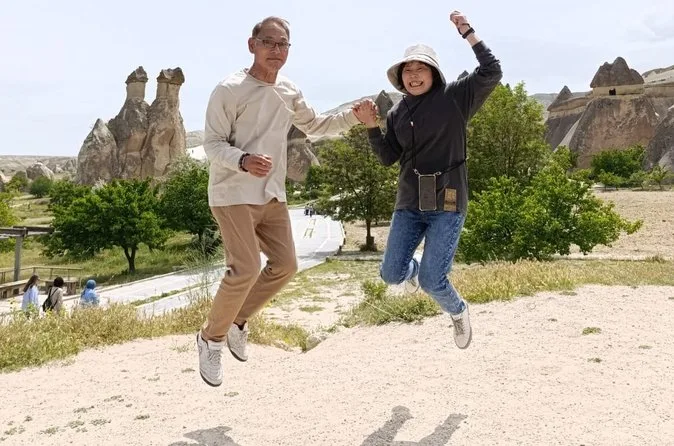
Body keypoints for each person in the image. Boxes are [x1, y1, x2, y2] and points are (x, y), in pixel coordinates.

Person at [198, 16, 365, 386]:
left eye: (283, 44)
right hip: (232, 192)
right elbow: (212, 144)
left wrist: (353, 117)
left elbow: (316, 126)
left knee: (286, 265)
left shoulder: (289, 90)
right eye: (269, 42)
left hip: (272, 193)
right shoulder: (229, 89)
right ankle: (211, 339)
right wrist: (242, 159)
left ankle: (237, 321)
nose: (276, 50)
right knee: (244, 268)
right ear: (252, 45)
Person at [353, 10, 502, 349]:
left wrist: (468, 32)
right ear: (400, 77)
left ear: (433, 72)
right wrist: (371, 127)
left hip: (448, 202)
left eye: (421, 68)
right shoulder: (397, 112)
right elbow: (388, 157)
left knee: (435, 280)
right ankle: (414, 272)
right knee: (391, 274)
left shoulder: (456, 96)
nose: (414, 75)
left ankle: (458, 310)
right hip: (409, 203)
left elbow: (492, 71)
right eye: (408, 70)